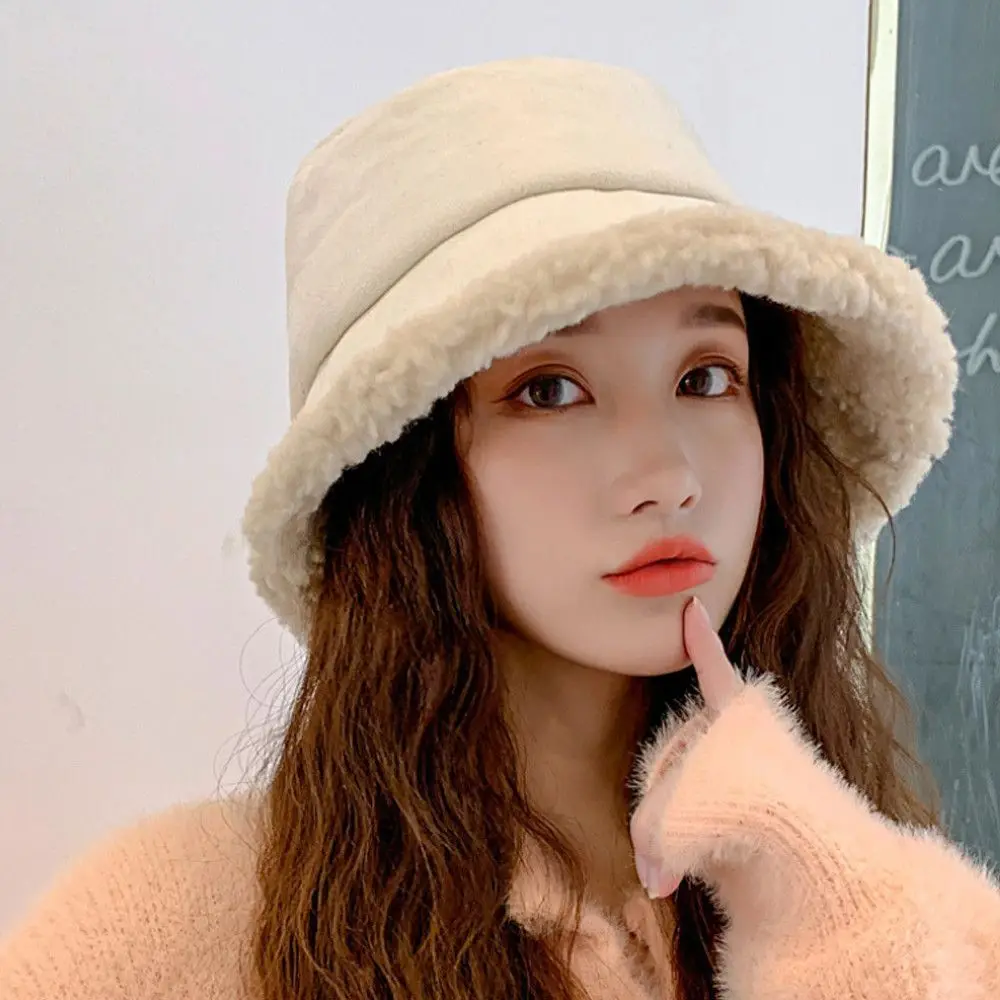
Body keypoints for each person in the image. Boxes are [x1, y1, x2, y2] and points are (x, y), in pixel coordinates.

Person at [1, 55, 997, 1000]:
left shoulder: (891, 903)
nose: (669, 475)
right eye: (550, 388)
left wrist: (836, 912)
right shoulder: (169, 932)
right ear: (403, 473)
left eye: (705, 377)